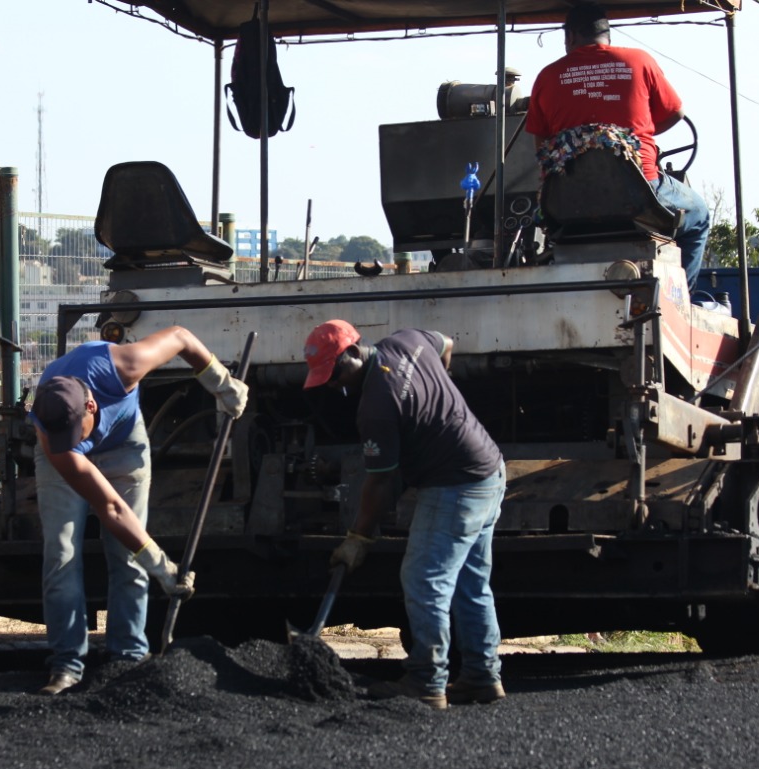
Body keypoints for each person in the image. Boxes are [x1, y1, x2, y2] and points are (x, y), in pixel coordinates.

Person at [29, 330, 248, 695]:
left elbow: (181, 337)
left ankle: (127, 658)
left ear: (92, 407)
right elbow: (109, 507)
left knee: (128, 556)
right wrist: (162, 565)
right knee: (61, 554)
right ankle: (66, 665)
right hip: (62, 468)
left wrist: (221, 384)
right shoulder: (54, 438)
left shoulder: (124, 365)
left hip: (124, 445)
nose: (73, 443)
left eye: (75, 434)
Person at [304, 320, 507, 710]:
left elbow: (380, 482)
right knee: (470, 584)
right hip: (489, 471)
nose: (330, 384)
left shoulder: (377, 405)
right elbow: (447, 341)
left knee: (424, 579)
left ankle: (427, 681)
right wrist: (438, 392)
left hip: (456, 485)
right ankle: (483, 677)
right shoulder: (408, 340)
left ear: (353, 352)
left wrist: (357, 538)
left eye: (333, 373)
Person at [526, 1, 710, 288]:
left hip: (568, 203)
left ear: (570, 36)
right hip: (640, 195)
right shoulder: (640, 61)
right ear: (607, 34)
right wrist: (632, 140)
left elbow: (543, 148)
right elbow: (675, 112)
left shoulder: (547, 76)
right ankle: (683, 299)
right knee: (698, 215)